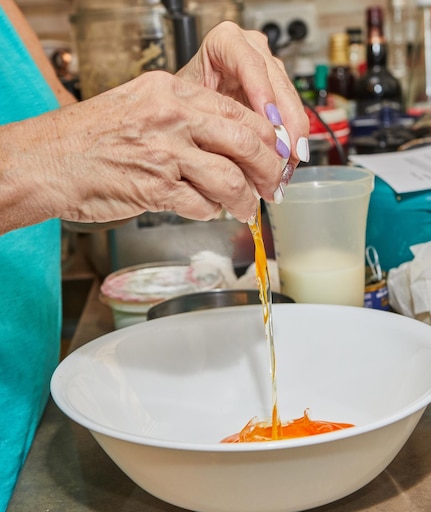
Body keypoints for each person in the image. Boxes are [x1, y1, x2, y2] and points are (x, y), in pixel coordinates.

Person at [0, 1, 310, 509]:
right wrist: (52, 155)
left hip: (27, 430)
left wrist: (185, 124)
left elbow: (71, 189)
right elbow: (56, 158)